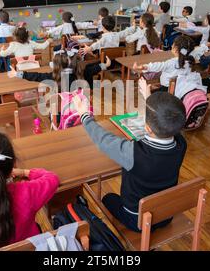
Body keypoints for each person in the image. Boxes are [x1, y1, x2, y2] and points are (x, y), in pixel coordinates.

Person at [72, 90, 187, 232]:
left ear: (148, 128)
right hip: (165, 216)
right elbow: (169, 120)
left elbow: (103, 140)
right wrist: (148, 96)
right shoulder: (181, 144)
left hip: (136, 220)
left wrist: (84, 115)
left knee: (108, 198)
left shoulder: (133, 153)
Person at [133, 35, 200, 92]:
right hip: (181, 89)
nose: (171, 45)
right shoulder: (190, 61)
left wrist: (143, 67)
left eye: (173, 44)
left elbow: (157, 66)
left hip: (167, 91)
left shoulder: (171, 63)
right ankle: (157, 89)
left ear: (176, 48)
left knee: (145, 90)